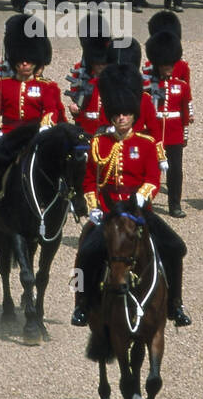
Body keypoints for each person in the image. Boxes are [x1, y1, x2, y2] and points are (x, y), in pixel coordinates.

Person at [71, 61, 191, 328]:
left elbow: (152, 177)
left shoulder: (146, 144)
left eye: (126, 114)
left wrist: (142, 195)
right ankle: (81, 303)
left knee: (174, 248)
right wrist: (93, 206)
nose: (121, 119)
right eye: (117, 115)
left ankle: (176, 305)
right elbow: (90, 180)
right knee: (84, 256)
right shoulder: (100, 143)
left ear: (133, 115)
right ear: (112, 116)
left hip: (137, 210)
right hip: (107, 208)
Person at [144, 30, 192, 219]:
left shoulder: (181, 85)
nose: (169, 67)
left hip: (174, 133)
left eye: (171, 64)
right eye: (165, 64)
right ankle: (146, 202)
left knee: (175, 172)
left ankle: (175, 204)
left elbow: (185, 112)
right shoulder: (147, 85)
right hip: (153, 133)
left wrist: (185, 134)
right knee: (150, 170)